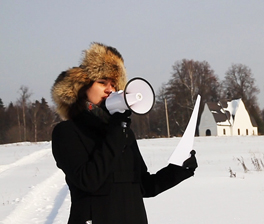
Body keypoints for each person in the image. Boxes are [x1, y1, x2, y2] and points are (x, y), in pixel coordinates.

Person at [51, 42, 197, 224]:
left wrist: (178, 170)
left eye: (113, 84)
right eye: (102, 82)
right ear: (83, 88)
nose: (109, 89)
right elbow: (88, 180)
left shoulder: (123, 133)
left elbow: (144, 186)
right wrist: (117, 131)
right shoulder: (67, 132)